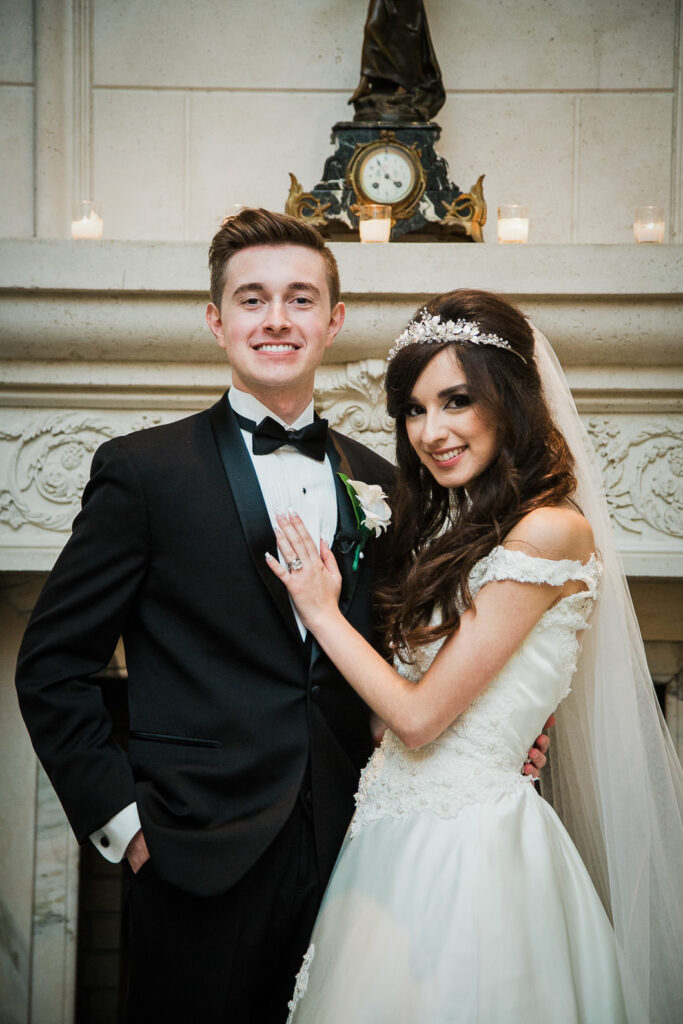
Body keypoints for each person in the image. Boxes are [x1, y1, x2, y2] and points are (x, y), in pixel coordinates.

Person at [13, 212, 553, 1023]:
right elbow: (52, 667)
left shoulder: (389, 485)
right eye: (252, 299)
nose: (276, 319)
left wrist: (486, 732)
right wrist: (128, 830)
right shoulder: (141, 472)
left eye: (300, 299)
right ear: (216, 320)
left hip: (358, 852)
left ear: (332, 321)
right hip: (193, 853)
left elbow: (402, 654)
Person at [268, 289, 683, 1023]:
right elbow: (392, 726)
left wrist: (321, 613)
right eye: (415, 409)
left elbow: (420, 719)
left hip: (472, 849)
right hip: (389, 835)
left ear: (508, 401)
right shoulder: (453, 535)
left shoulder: (551, 532)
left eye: (456, 401)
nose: (431, 431)